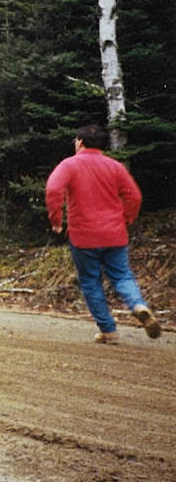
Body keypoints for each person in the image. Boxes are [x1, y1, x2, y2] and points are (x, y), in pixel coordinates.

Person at [45, 124, 161, 345]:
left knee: (91, 281)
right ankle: (138, 305)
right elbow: (134, 196)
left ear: (80, 142)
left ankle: (109, 331)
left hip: (83, 236)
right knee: (122, 275)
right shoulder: (114, 166)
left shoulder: (69, 165)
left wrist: (56, 222)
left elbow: (53, 190)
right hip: (114, 234)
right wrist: (126, 219)